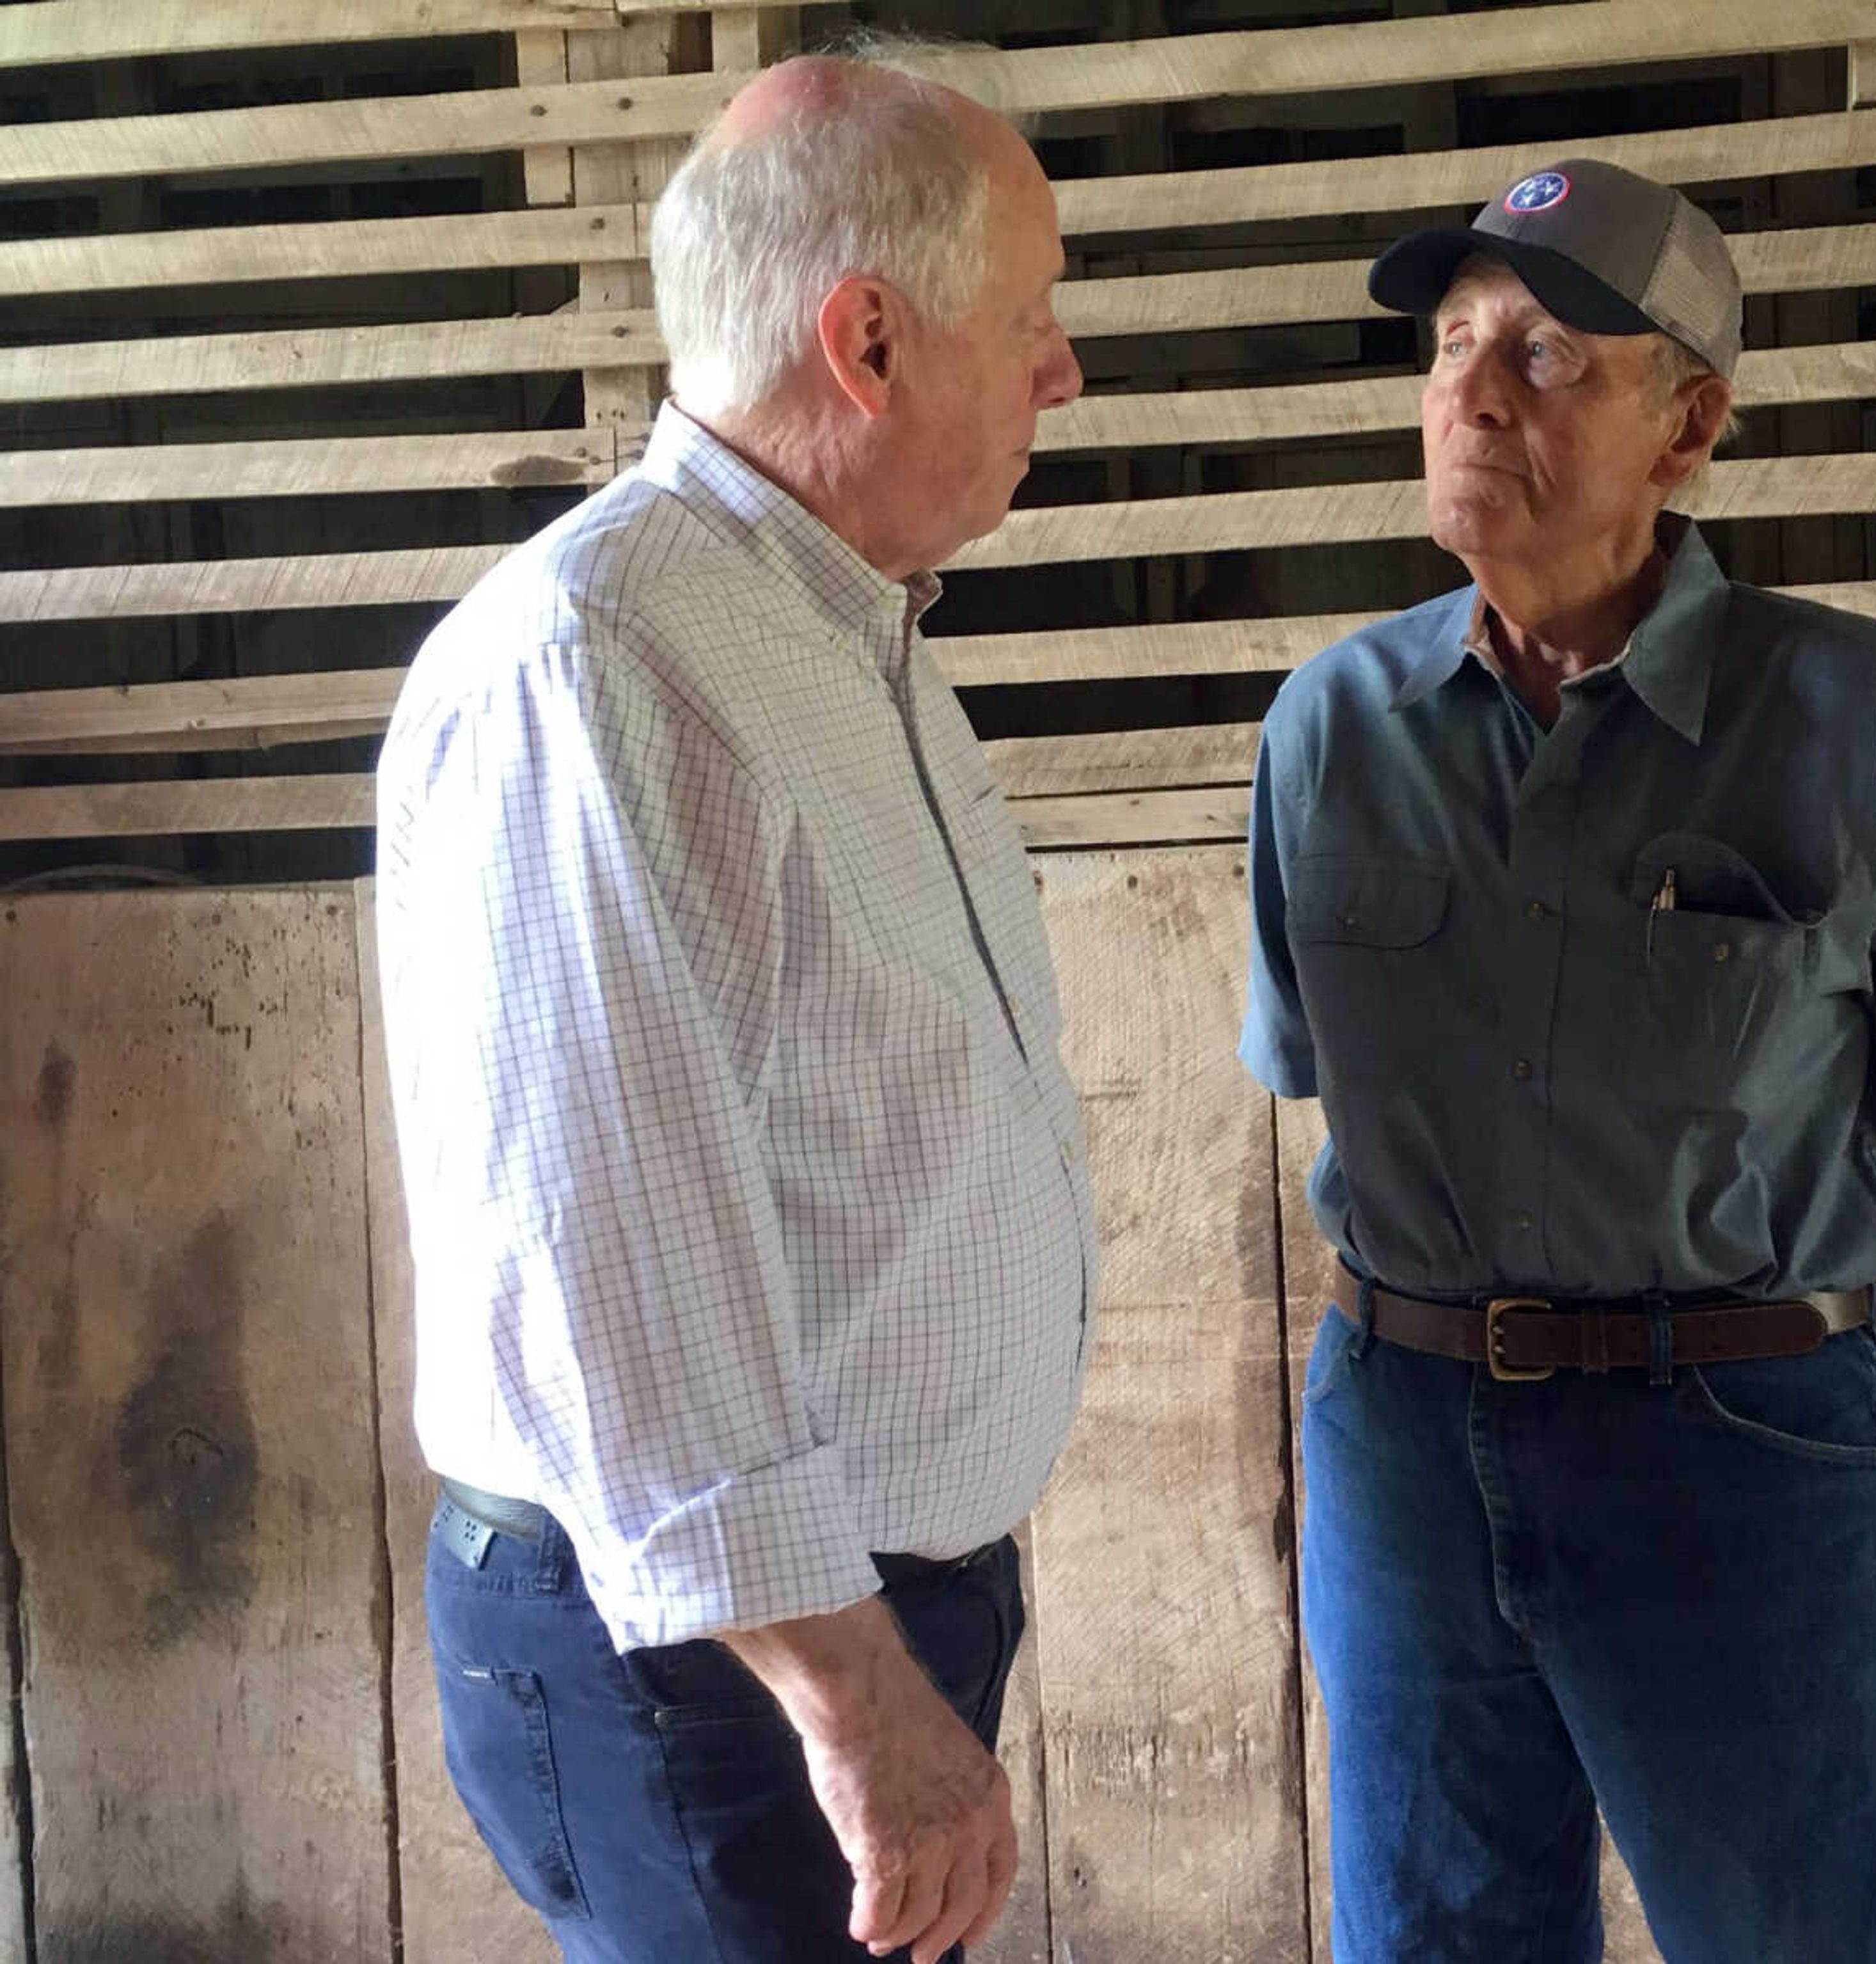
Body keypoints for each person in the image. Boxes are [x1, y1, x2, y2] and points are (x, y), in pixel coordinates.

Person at [1238, 159, 1876, 1964]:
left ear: (1687, 427)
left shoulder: (1855, 715)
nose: (1471, 390)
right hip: (1402, 1439)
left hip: (1746, 1457)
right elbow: (1307, 1062)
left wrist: (1768, 1323)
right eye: (1453, 346)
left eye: (1548, 359)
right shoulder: (1328, 729)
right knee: (1432, 1939)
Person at [376, 51, 1093, 1964]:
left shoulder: (837, 625)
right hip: (720, 1665)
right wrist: (856, 1702)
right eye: (1026, 321)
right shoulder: (598, 662)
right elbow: (609, 1259)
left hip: (819, 1624)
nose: (1062, 373)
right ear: (867, 338)